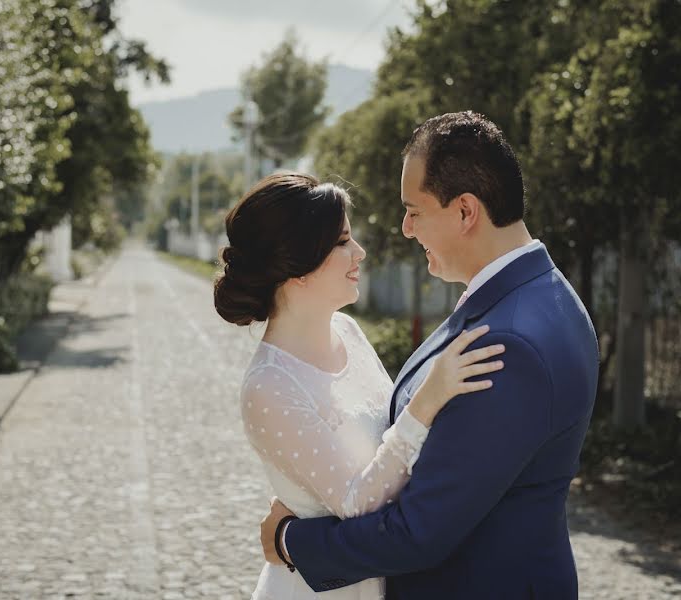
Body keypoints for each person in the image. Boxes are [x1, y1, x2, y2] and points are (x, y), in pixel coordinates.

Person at [259, 111, 600, 599]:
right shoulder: (537, 293)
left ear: (465, 211)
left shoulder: (509, 343)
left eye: (414, 210)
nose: (404, 228)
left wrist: (290, 539)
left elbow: (418, 532)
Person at [213, 172, 506, 600]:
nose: (360, 252)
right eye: (342, 242)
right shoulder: (269, 385)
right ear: (298, 265)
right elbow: (356, 502)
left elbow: (394, 439)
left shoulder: (348, 331)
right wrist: (429, 399)